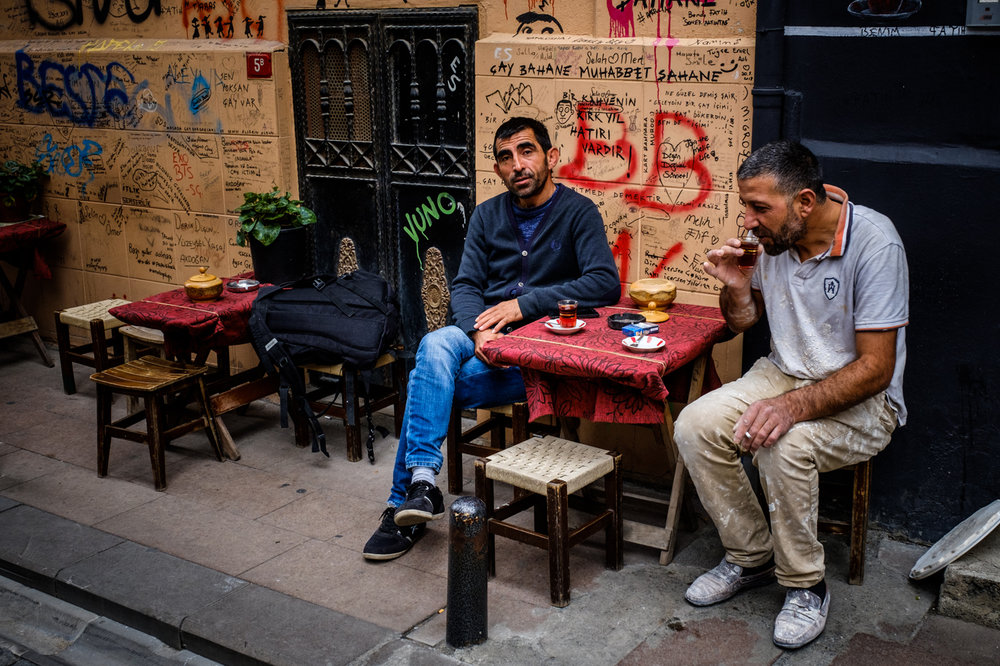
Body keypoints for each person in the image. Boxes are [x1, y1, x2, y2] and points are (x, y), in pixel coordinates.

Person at [674, 141, 908, 649]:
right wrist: (736, 287)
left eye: (761, 208)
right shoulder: (775, 242)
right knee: (694, 425)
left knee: (784, 444)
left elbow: (876, 369)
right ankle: (751, 556)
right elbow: (742, 323)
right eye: (746, 206)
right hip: (784, 372)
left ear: (804, 201)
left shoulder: (875, 243)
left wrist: (790, 408)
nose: (749, 220)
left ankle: (806, 586)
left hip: (865, 400)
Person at [363, 116, 621, 561]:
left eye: (527, 151)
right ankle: (425, 483)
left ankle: (402, 503)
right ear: (498, 169)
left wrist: (525, 306)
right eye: (506, 157)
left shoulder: (579, 213)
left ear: (550, 157)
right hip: (483, 337)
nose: (517, 164)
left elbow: (604, 283)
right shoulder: (486, 215)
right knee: (437, 345)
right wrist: (476, 330)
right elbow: (465, 285)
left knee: (430, 383)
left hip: (535, 359)